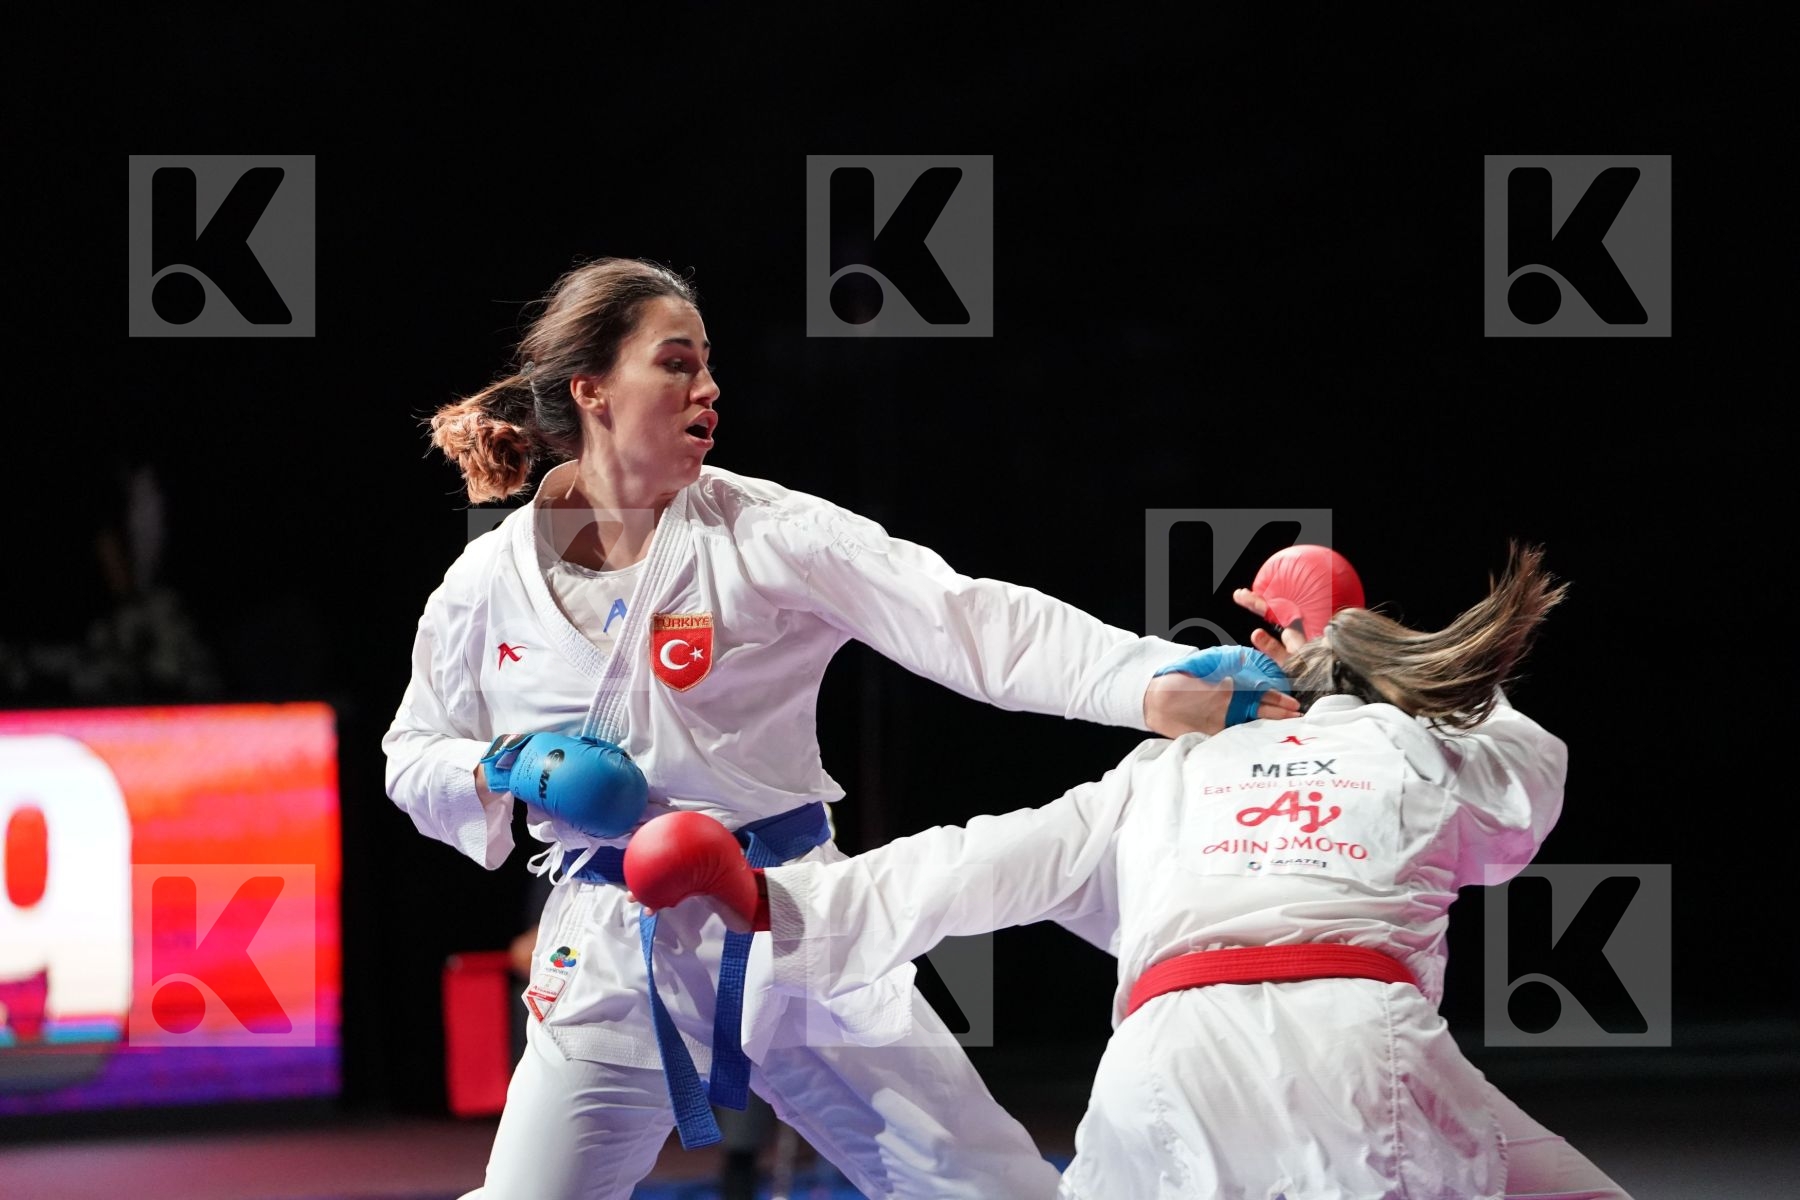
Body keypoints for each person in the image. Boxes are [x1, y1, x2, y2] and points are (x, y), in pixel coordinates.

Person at [381, 256, 1299, 1200]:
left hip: (794, 922)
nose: (708, 388)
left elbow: (967, 619)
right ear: (593, 391)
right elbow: (410, 757)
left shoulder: (764, 531)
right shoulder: (486, 584)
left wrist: (1149, 682)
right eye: (675, 363)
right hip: (611, 949)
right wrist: (508, 763)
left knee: (989, 1188)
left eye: (709, 365)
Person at [630, 542, 1634, 1199]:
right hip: (1361, 1047)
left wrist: (768, 896)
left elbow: (979, 861)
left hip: (1168, 1058)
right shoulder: (1423, 748)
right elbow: (1528, 783)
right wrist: (1366, 657)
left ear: (1260, 653)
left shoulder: (1166, 765)